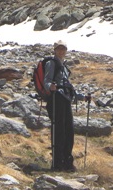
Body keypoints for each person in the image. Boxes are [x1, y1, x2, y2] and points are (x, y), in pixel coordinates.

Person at [43, 39, 89, 172]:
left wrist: (81, 97)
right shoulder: (52, 63)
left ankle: (67, 161)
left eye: (63, 49)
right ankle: (58, 163)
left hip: (65, 99)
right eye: (59, 49)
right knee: (59, 132)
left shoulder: (64, 66)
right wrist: (49, 87)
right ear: (55, 50)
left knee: (69, 131)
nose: (61, 51)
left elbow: (68, 86)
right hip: (56, 99)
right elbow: (47, 80)